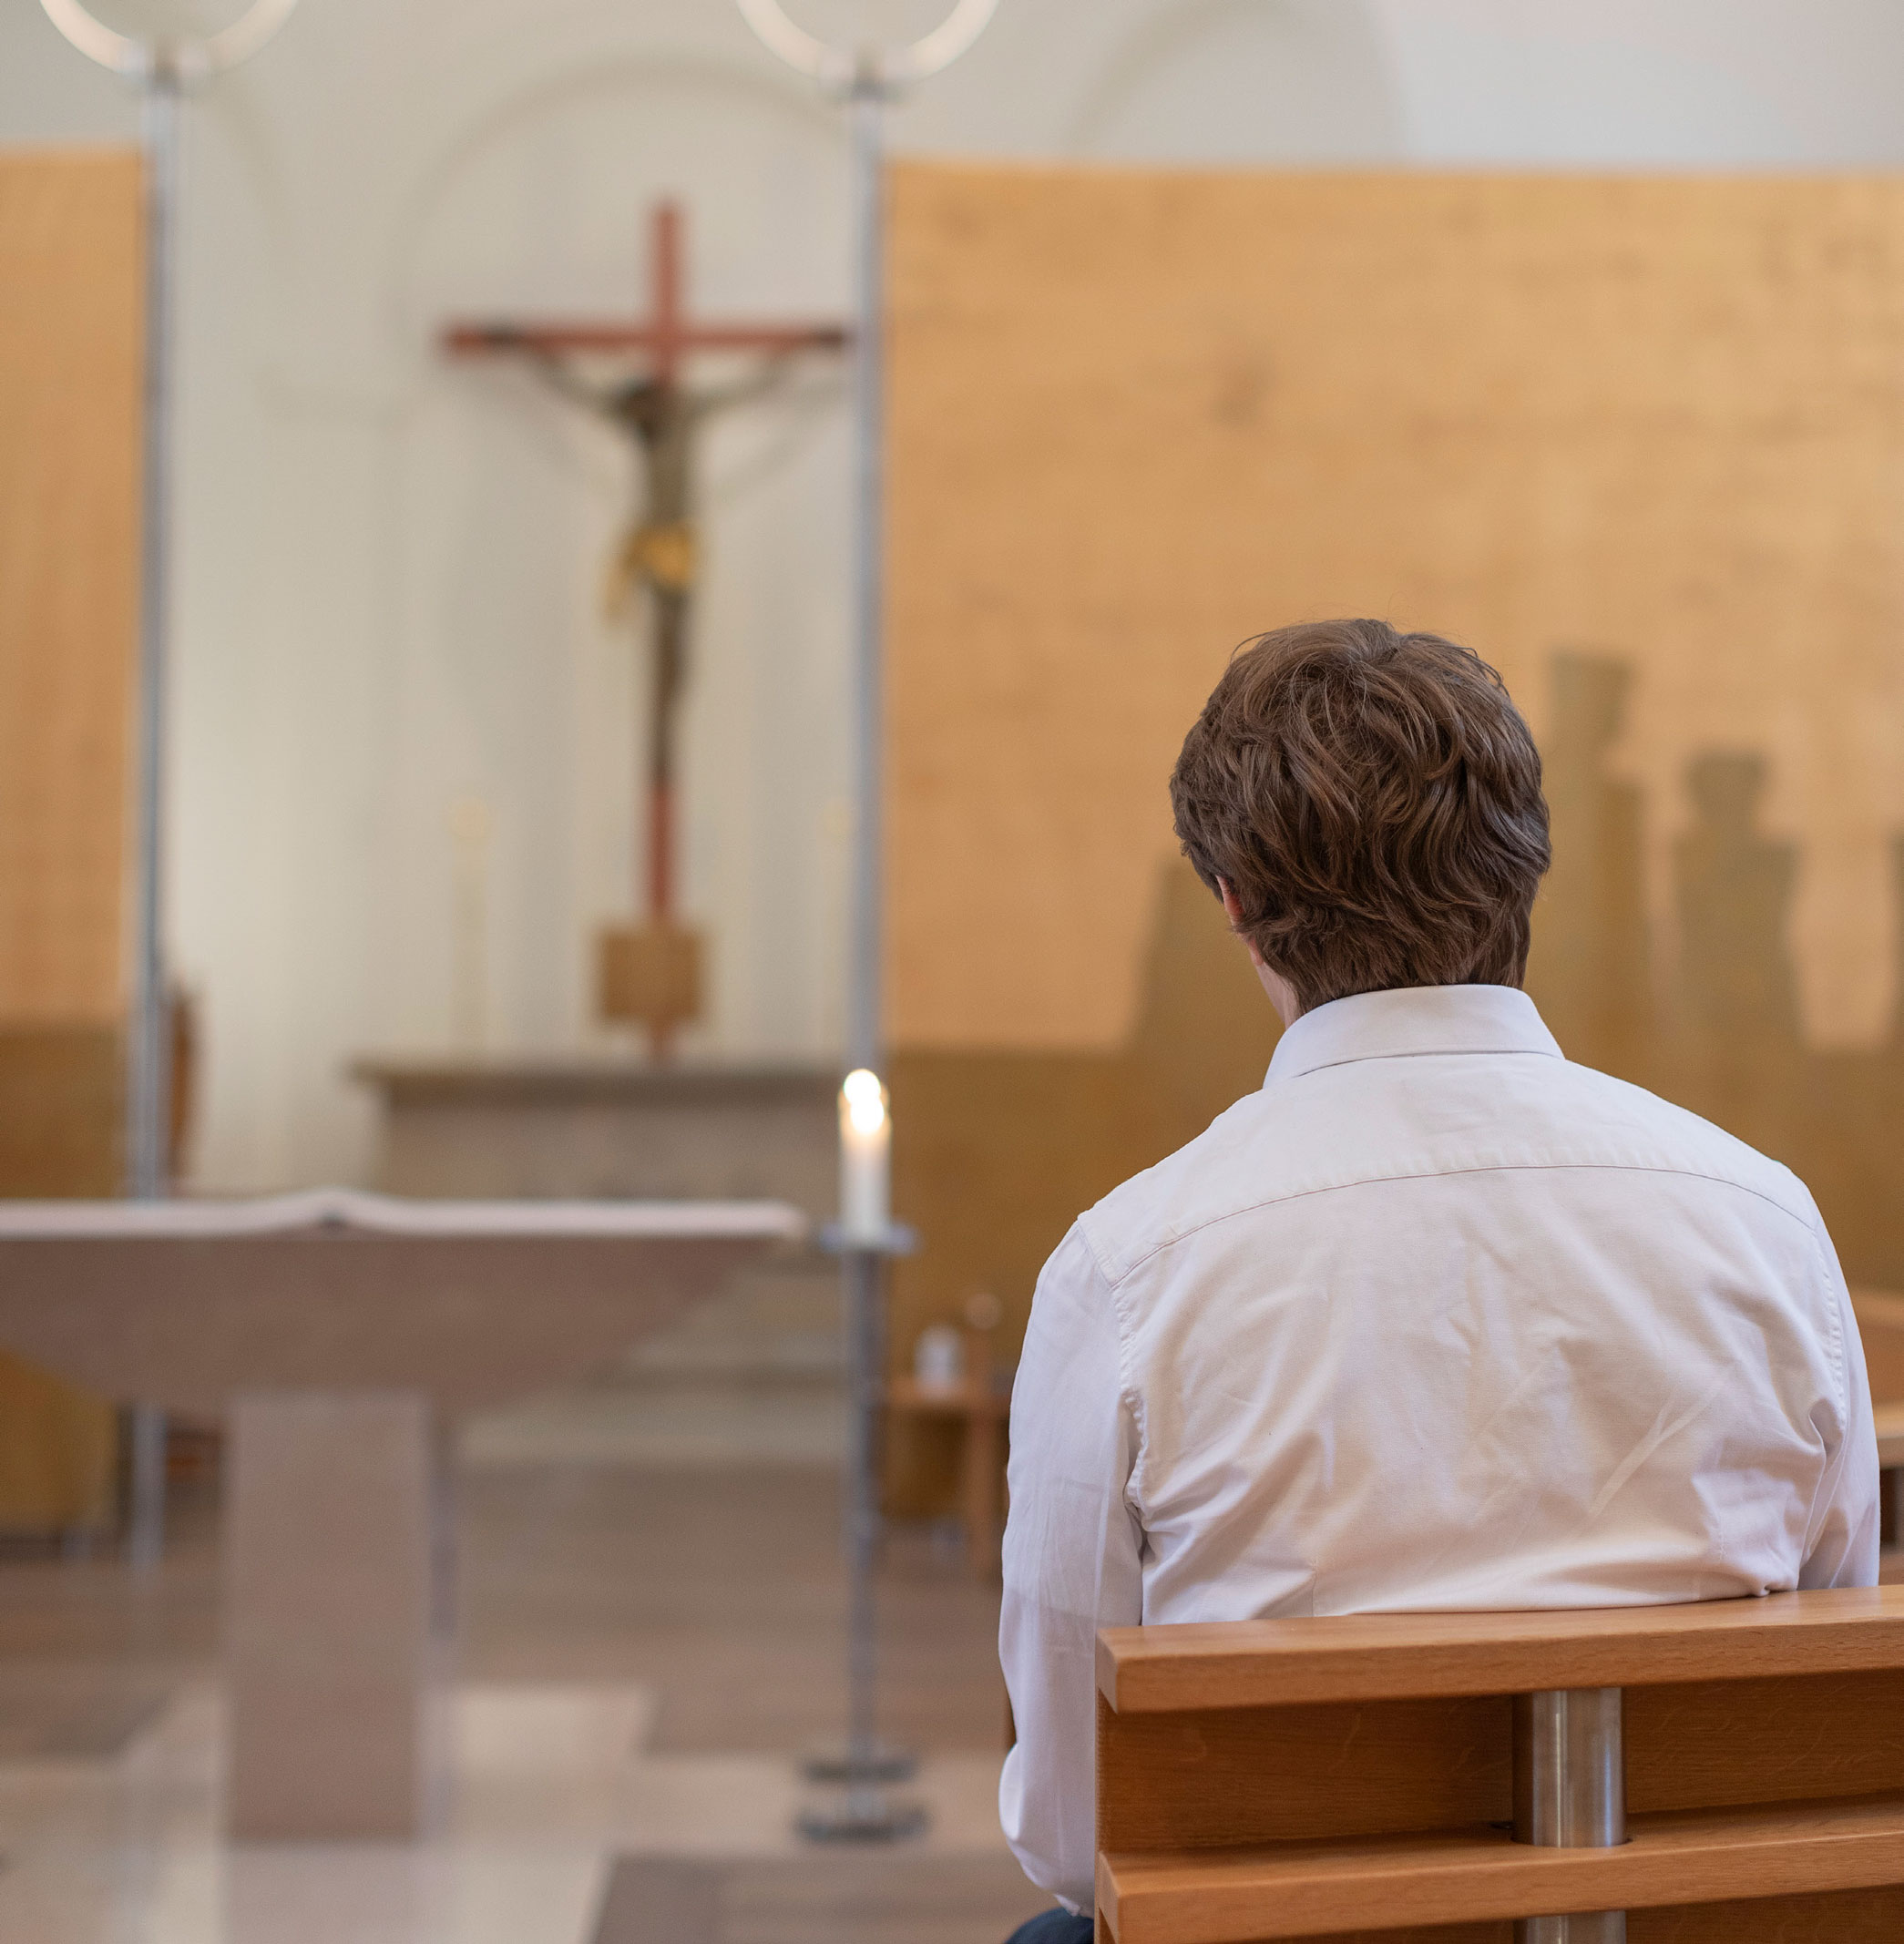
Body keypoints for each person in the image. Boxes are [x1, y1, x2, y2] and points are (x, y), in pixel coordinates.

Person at [998, 619, 1878, 1943]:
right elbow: (1821, 1676)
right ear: (1528, 866)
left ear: (1232, 896)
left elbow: (1076, 1828)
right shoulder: (1763, 1216)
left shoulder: (1130, 1267)